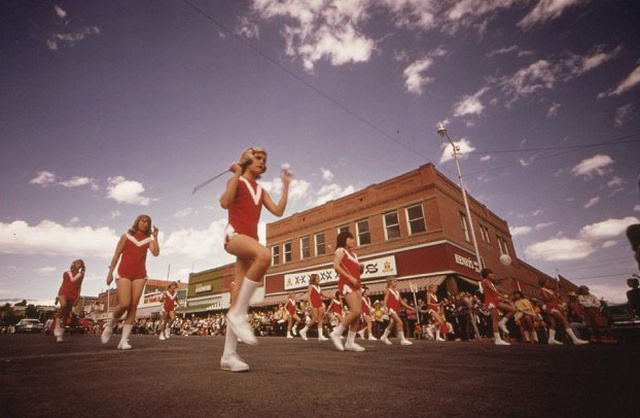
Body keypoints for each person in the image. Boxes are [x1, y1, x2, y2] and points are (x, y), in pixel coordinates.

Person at [219, 147, 291, 372]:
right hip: (235, 236)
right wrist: (235, 175)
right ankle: (239, 314)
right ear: (247, 160)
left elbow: (278, 211)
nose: (262, 162)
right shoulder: (238, 181)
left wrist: (286, 187)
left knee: (238, 296)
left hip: (250, 239)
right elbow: (224, 202)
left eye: (264, 159)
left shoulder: (261, 190)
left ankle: (228, 356)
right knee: (265, 255)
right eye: (258, 158)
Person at [102, 214, 160, 349]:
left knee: (133, 306)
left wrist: (156, 237)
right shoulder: (126, 237)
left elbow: (156, 253)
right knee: (124, 303)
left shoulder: (148, 240)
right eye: (143, 221)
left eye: (148, 222)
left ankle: (124, 340)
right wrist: (110, 272)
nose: (145, 224)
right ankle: (110, 324)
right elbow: (116, 255)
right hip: (124, 273)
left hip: (139, 274)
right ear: (137, 222)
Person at [329, 231, 365, 352]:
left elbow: (358, 273)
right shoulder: (340, 251)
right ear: (344, 239)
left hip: (356, 284)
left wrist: (362, 269)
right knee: (355, 311)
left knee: (358, 313)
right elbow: (336, 266)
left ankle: (350, 342)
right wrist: (349, 277)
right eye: (351, 238)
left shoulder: (354, 255)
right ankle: (337, 333)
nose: (353, 241)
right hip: (347, 284)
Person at [538, 278, 588, 345]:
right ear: (544, 283)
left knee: (553, 323)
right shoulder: (542, 290)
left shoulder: (549, 290)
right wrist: (554, 293)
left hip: (554, 307)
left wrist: (557, 296)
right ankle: (574, 339)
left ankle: (551, 339)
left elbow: (555, 299)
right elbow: (546, 299)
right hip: (550, 307)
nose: (549, 284)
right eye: (548, 282)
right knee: (564, 320)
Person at [480, 268, 515, 345]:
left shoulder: (490, 282)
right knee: (495, 319)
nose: (492, 275)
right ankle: (498, 339)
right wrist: (502, 296)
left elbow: (494, 293)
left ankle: (502, 322)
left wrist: (505, 299)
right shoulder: (485, 281)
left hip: (496, 300)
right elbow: (493, 290)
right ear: (486, 274)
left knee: (512, 309)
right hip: (490, 302)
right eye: (490, 273)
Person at [54, 259, 86, 342]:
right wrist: (58, 296)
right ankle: (57, 326)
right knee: (63, 305)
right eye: (77, 263)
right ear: (74, 264)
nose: (79, 264)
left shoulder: (81, 275)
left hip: (73, 294)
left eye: (80, 264)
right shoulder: (66, 273)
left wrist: (78, 297)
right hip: (63, 292)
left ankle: (60, 336)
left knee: (65, 315)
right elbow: (62, 284)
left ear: (81, 266)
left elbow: (79, 287)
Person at [380, 276, 414, 346]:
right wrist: (385, 308)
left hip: (396, 309)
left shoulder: (397, 292)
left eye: (396, 282)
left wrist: (409, 307)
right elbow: (385, 300)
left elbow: (401, 301)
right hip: (391, 310)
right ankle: (403, 340)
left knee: (391, 324)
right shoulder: (388, 290)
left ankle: (384, 337)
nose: (396, 283)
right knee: (400, 322)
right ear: (390, 283)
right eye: (394, 282)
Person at [299, 274, 329, 341]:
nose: (319, 280)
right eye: (317, 278)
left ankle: (320, 336)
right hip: (314, 304)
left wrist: (332, 297)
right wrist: (311, 304)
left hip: (319, 303)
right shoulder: (311, 286)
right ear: (314, 279)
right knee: (314, 319)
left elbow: (323, 295)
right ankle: (303, 330)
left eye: (319, 278)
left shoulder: (319, 287)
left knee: (320, 319)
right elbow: (309, 296)